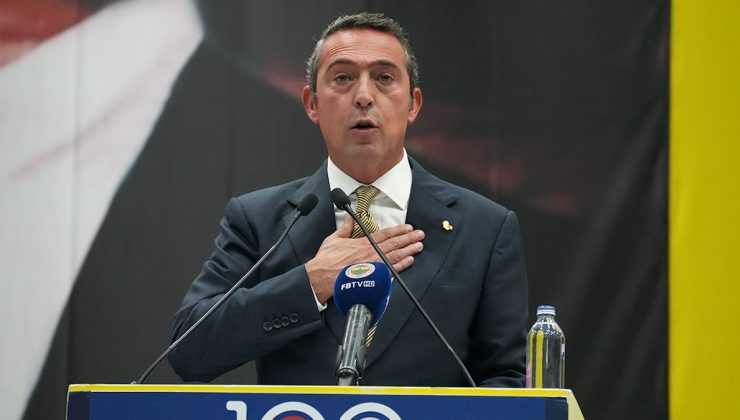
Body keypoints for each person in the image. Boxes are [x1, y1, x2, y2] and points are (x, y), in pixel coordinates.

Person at [169, 12, 528, 387]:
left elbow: (506, 377)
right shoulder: (259, 219)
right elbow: (188, 350)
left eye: (384, 78)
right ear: (311, 103)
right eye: (342, 78)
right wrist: (312, 282)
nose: (363, 96)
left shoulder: (484, 226)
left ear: (413, 104)